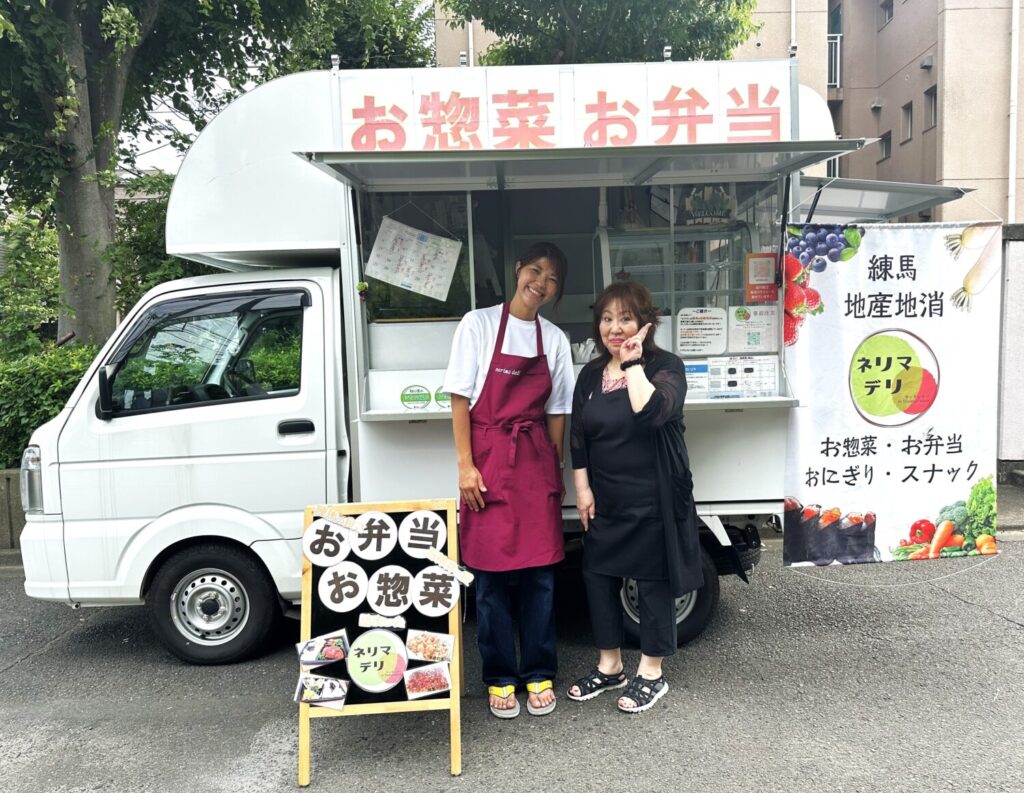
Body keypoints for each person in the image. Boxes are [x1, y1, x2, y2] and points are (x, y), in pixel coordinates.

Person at [442, 242, 574, 719]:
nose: (541, 283)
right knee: (491, 579)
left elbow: (558, 409)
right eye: (535, 271)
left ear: (558, 290)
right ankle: (499, 675)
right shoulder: (477, 324)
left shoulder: (554, 339)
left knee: (540, 576)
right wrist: (465, 465)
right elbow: (459, 397)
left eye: (553, 279)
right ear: (518, 269)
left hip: (535, 459)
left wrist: (552, 469)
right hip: (488, 459)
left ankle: (538, 670)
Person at [565, 280, 703, 714]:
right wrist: (582, 490)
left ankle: (651, 672)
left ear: (645, 323)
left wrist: (633, 364)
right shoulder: (589, 374)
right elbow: (579, 438)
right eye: (607, 318)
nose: (614, 327)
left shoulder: (666, 366)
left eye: (625, 318)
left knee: (652, 583)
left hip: (654, 499)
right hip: (606, 500)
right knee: (598, 578)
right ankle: (610, 667)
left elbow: (651, 412)